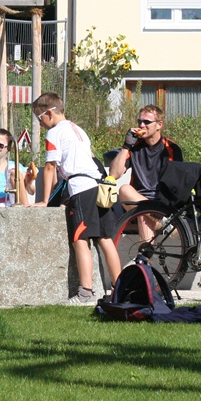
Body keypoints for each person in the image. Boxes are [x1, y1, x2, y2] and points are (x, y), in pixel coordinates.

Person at [31, 92, 122, 304]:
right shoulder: (78, 130)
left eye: (39, 118)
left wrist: (45, 200)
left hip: (81, 189)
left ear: (49, 113)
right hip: (98, 185)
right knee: (105, 238)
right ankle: (120, 288)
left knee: (80, 239)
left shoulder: (54, 133)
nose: (40, 124)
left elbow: (50, 167)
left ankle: (85, 292)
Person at [109, 105, 183, 209]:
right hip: (137, 200)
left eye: (146, 122)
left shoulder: (171, 148)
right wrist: (126, 146)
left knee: (142, 216)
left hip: (161, 201)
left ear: (159, 125)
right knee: (124, 189)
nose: (141, 125)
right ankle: (154, 216)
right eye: (139, 122)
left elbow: (176, 183)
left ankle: (153, 215)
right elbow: (113, 175)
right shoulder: (134, 147)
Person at [0, 128, 36, 207]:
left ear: (8, 147)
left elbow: (31, 192)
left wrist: (28, 183)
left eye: (0, 145)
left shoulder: (15, 166)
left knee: (14, 172)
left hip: (15, 201)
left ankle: (26, 208)